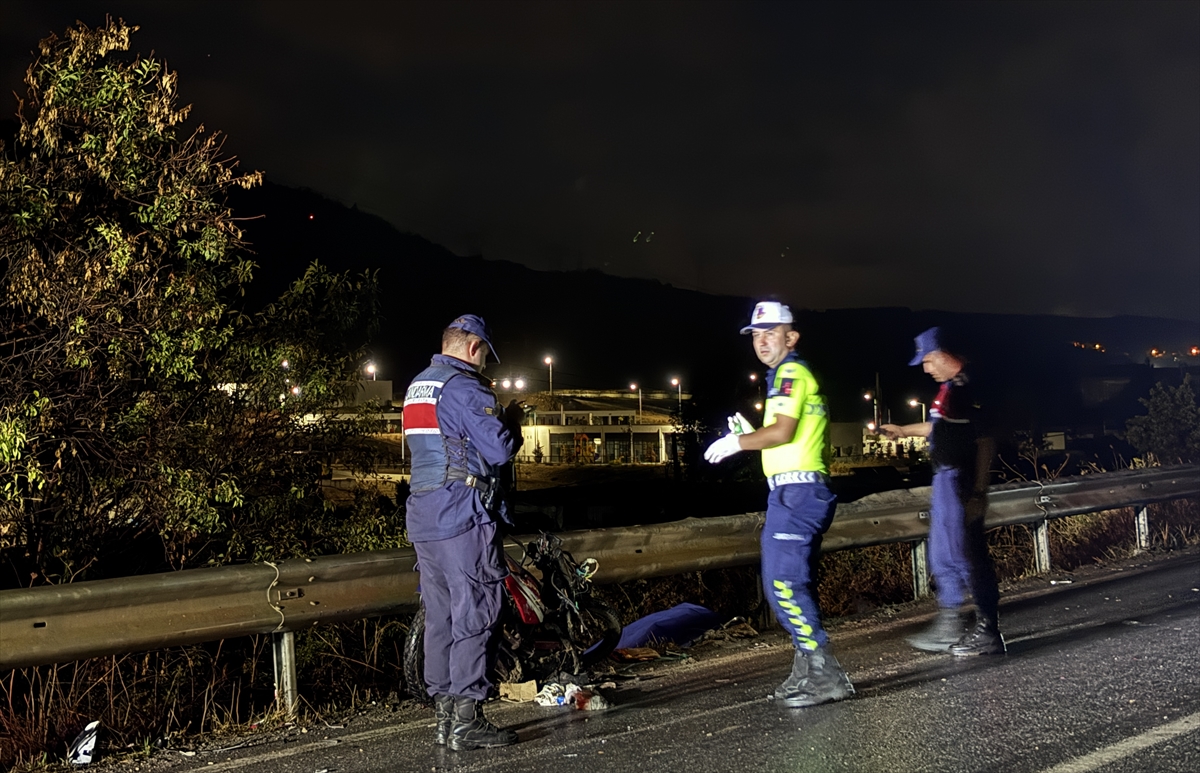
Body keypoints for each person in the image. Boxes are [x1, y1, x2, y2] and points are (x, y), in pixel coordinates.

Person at [704, 301, 854, 707]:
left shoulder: (790, 373)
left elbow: (783, 432)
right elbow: (785, 435)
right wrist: (753, 435)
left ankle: (824, 672)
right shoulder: (783, 377)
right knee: (784, 583)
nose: (762, 341)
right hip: (791, 491)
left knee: (784, 584)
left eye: (771, 332)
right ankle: (808, 667)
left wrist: (738, 442)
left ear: (792, 337)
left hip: (798, 494)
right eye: (755, 334)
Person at [403, 314, 525, 750]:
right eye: (486, 355)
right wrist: (511, 421)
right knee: (477, 611)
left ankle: (444, 718)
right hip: (462, 516)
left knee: (442, 617)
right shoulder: (466, 387)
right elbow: (498, 449)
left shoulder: (419, 384)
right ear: (474, 348)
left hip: (424, 516)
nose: (486, 363)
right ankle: (467, 719)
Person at [879, 327, 1005, 656]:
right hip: (945, 478)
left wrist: (978, 491)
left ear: (947, 355)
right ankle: (960, 624)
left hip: (957, 479)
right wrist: (904, 429)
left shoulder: (965, 388)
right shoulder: (948, 391)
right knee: (944, 551)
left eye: (929, 359)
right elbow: (940, 428)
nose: (925, 367)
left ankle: (978, 627)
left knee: (961, 553)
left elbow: (984, 441)